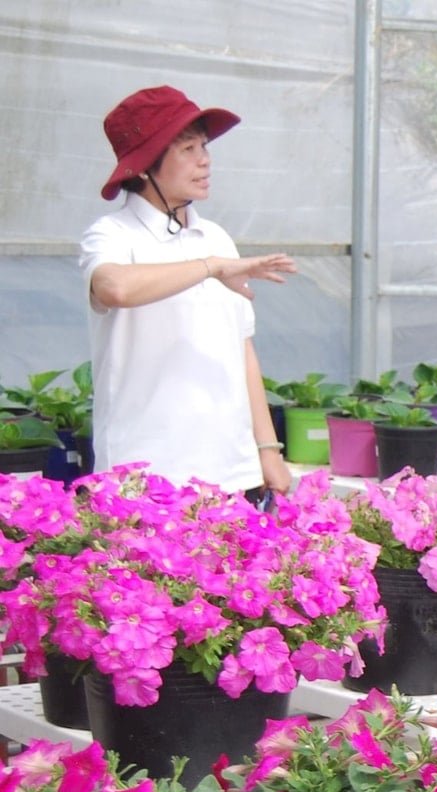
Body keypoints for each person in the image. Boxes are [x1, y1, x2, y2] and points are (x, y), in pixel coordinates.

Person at [81, 85, 298, 498]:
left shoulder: (215, 237)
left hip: (232, 472)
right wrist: (210, 268)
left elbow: (243, 350)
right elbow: (114, 288)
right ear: (145, 166)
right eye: (187, 148)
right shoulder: (110, 235)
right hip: (145, 478)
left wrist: (268, 450)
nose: (205, 159)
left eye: (204, 145)